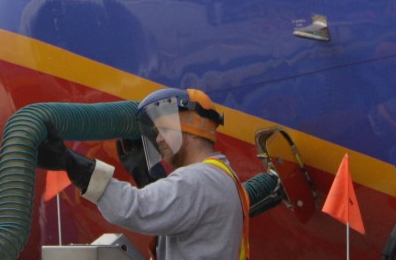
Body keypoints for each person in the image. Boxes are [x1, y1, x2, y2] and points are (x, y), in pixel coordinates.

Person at [39, 88, 250, 260]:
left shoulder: (199, 179)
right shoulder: (219, 175)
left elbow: (132, 209)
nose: (157, 140)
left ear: (191, 131)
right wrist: (148, 177)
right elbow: (178, 213)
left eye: (164, 130)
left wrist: (73, 164)